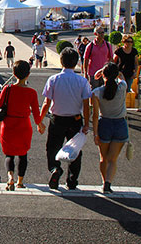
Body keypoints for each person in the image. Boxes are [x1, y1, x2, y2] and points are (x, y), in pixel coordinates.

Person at [40, 47, 92, 190]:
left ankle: (55, 169)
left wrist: (40, 119)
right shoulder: (82, 81)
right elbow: (86, 105)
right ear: (76, 63)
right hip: (75, 120)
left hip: (57, 119)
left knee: (52, 148)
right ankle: (72, 180)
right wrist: (87, 123)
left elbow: (47, 102)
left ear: (61, 61)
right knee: (75, 150)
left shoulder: (54, 79)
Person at [0, 60, 44, 191]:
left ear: (14, 74)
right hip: (24, 126)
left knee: (9, 155)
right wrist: (40, 124)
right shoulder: (31, 93)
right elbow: (36, 113)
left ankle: (10, 178)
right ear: (28, 74)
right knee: (23, 155)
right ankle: (20, 182)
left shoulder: (7, 89)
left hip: (8, 125)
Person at [91, 62, 129, 193]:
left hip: (104, 124)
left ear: (103, 75)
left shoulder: (97, 93)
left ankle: (103, 181)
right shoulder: (122, 87)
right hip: (120, 124)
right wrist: (107, 70)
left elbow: (95, 116)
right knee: (113, 159)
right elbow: (121, 76)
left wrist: (95, 134)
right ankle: (108, 182)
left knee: (103, 158)